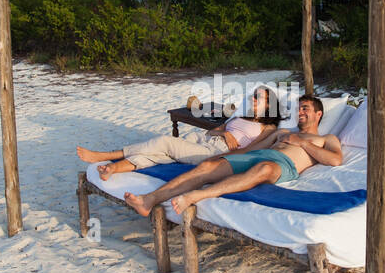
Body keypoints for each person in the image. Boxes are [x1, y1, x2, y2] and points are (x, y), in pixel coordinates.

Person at [124, 94, 341, 216]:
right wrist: (222, 156)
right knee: (206, 168)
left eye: (305, 109)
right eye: (299, 109)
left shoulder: (326, 138)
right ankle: (149, 200)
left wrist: (301, 142)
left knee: (264, 169)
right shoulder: (283, 131)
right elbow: (252, 149)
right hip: (260, 155)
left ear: (318, 114)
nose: (300, 113)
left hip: (282, 164)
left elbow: (335, 159)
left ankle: (198, 195)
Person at [76, 85, 278, 180]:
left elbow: (253, 150)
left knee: (164, 142)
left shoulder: (268, 128)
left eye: (258, 98)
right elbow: (217, 130)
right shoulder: (241, 116)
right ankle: (114, 169)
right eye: (253, 96)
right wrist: (224, 133)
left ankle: (107, 156)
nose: (253, 99)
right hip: (206, 139)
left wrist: (224, 155)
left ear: (269, 104)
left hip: (217, 153)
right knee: (162, 155)